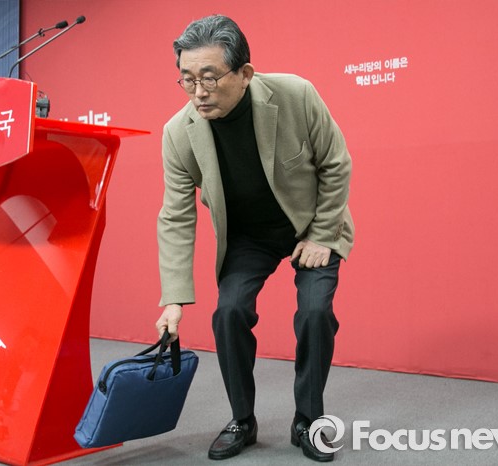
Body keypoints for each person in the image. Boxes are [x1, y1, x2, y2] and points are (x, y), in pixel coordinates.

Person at [155, 15, 354, 462]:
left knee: (316, 313)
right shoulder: (178, 133)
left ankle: (308, 419)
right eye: (187, 79)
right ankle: (242, 419)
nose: (199, 92)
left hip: (311, 225)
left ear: (244, 73)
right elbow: (176, 216)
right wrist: (173, 299)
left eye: (210, 78)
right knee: (228, 313)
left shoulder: (295, 94)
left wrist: (322, 235)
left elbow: (336, 163)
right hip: (248, 236)